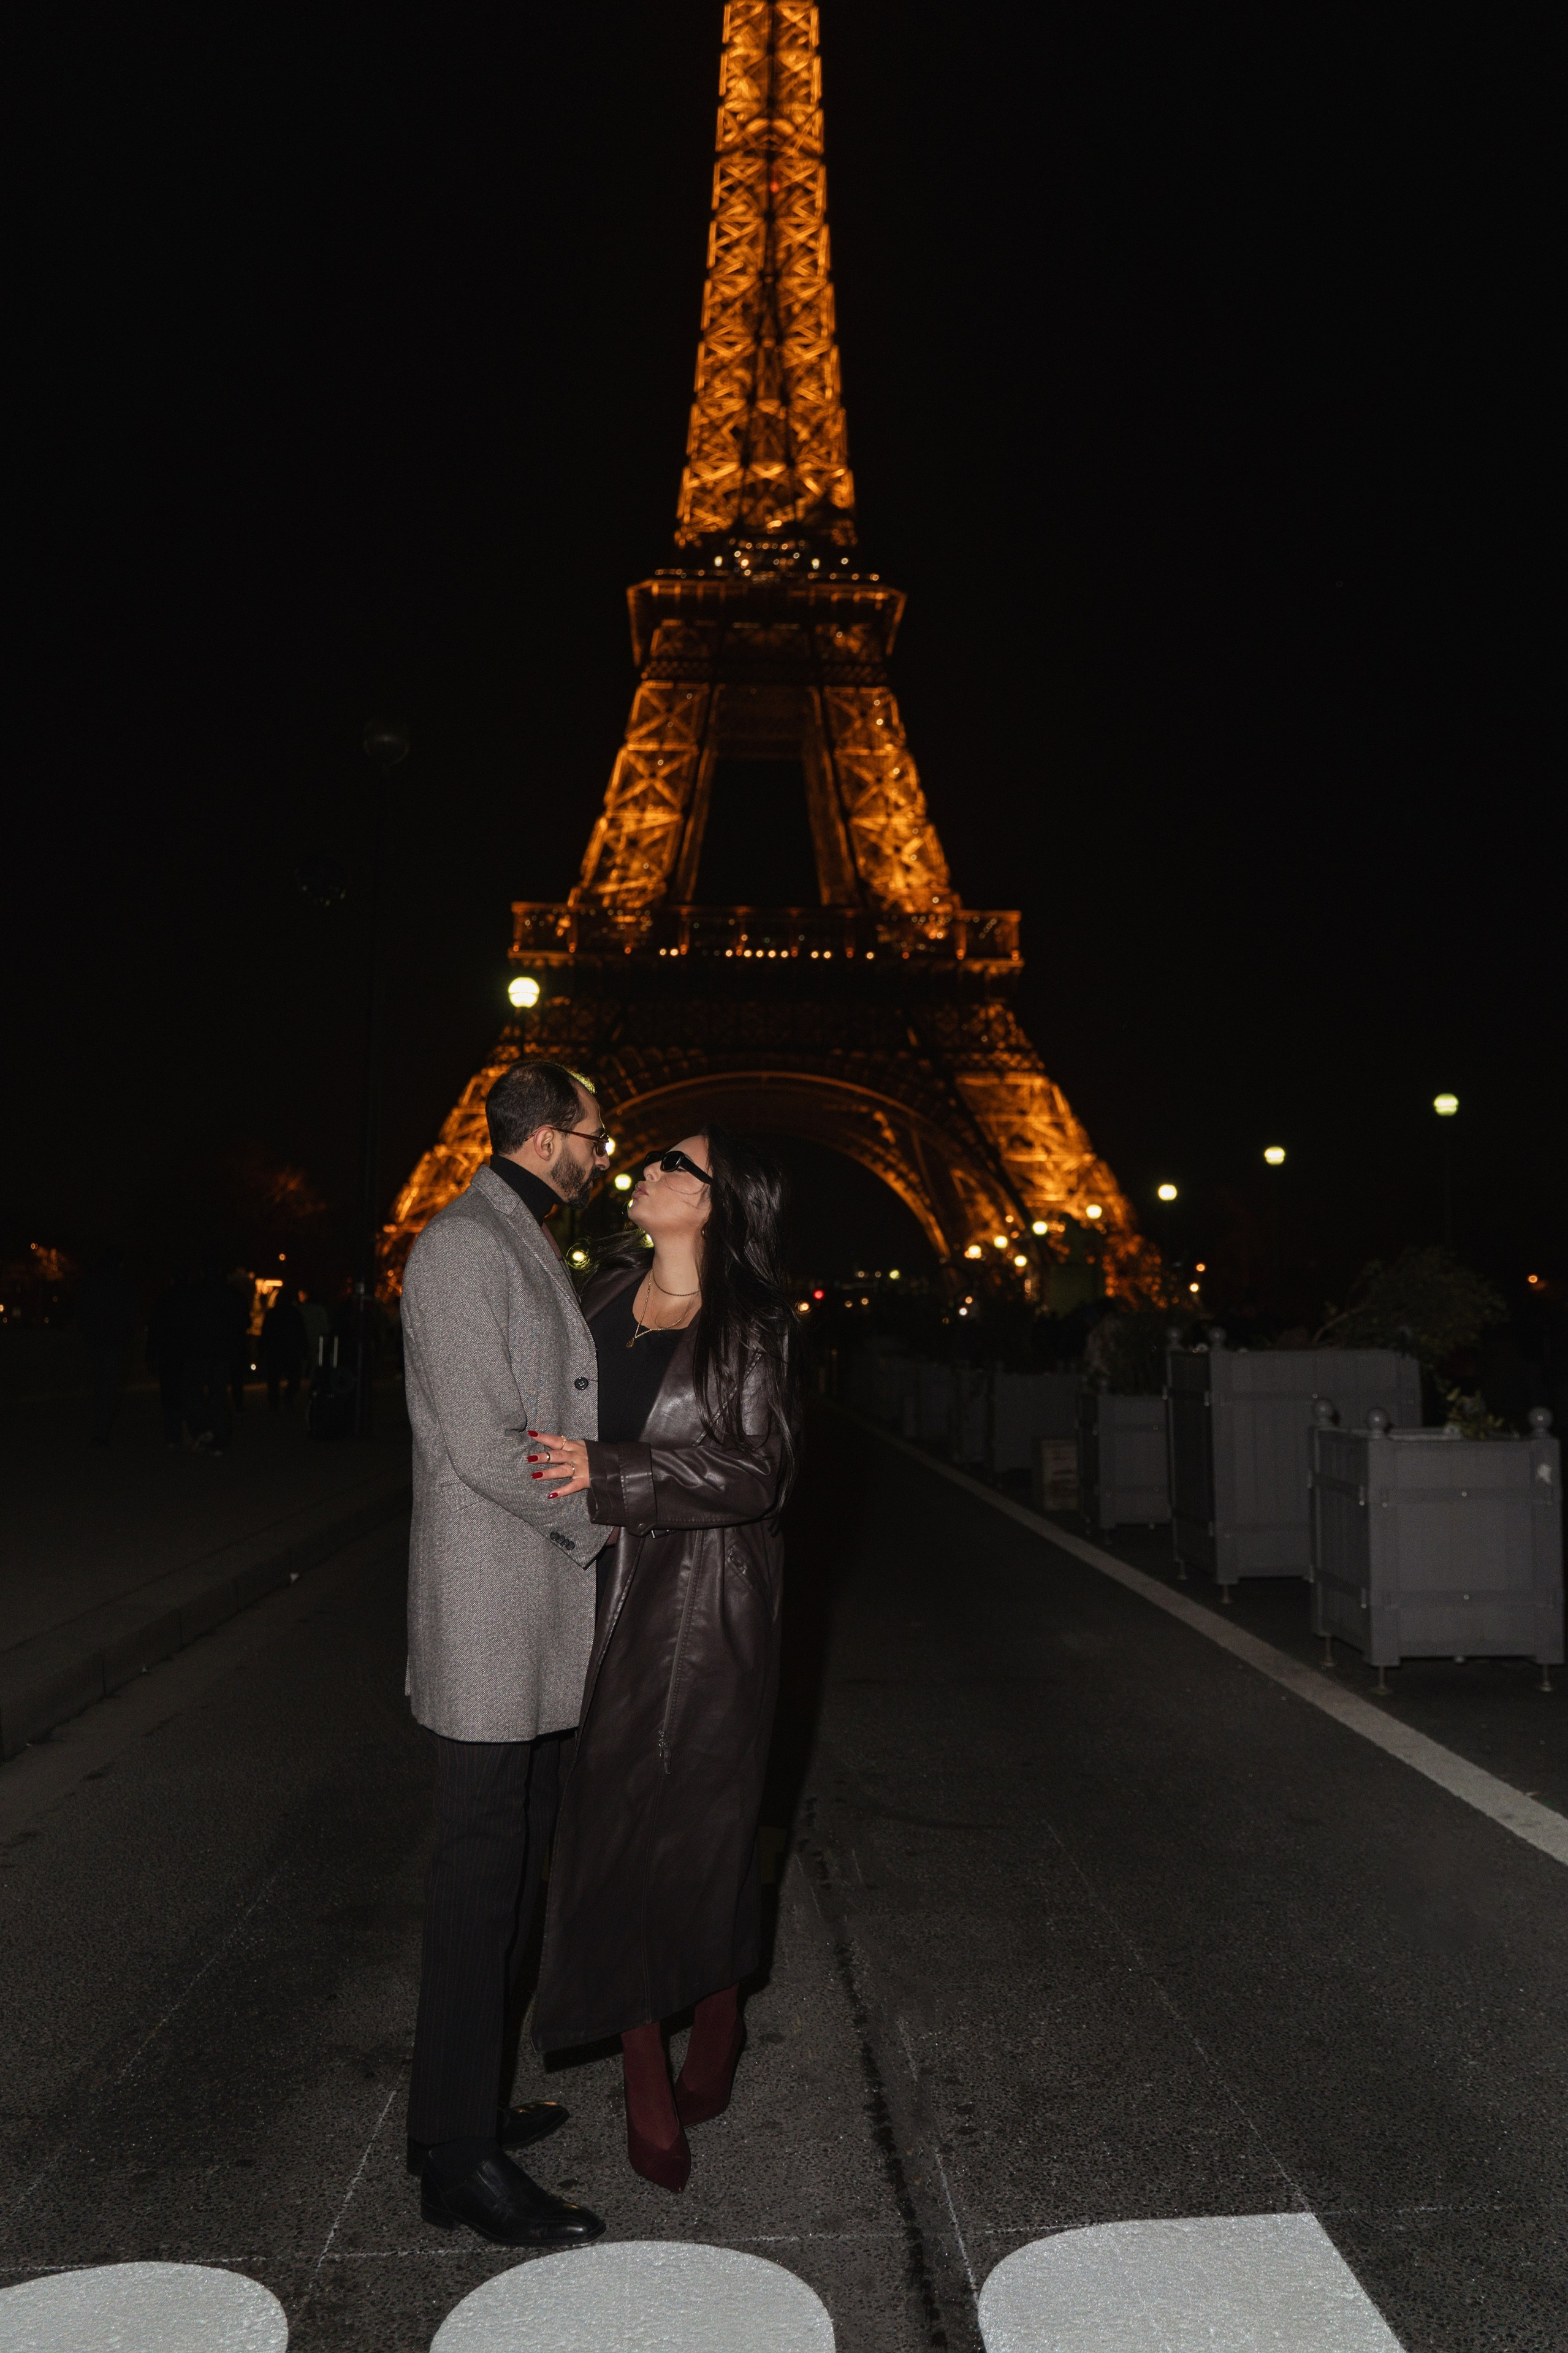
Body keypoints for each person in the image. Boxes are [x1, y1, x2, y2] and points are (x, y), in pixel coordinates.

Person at [529, 1127, 799, 2192]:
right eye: (647, 1158)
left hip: (702, 1611)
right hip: (588, 1592)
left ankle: (716, 2007)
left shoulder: (753, 1327)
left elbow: (755, 1470)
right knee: (607, 1828)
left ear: (720, 1201)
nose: (646, 1170)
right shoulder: (594, 1297)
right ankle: (643, 2042)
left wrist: (611, 1467)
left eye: (673, 1165)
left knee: (695, 1831)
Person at [398, 1058, 614, 2251]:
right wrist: (603, 1518)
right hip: (495, 1600)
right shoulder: (463, 1246)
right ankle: (454, 2156)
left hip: (530, 1597)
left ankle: (468, 2101)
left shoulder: (516, 1235)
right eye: (595, 1131)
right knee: (479, 1878)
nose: (605, 1151)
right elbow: (484, 1438)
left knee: (518, 1858)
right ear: (547, 1137)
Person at [75, 1249, 139, 1448]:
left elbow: (82, 1311)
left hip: (98, 1342)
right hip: (115, 1343)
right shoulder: (124, 1285)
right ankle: (101, 1430)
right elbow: (130, 1314)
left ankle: (99, 1428)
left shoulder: (93, 1283)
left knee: (101, 1384)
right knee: (109, 1387)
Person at [182, 1262, 246, 1454]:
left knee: (193, 1393)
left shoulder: (194, 1294)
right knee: (218, 1395)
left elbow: (184, 1323)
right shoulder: (231, 1294)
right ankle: (219, 1438)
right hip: (222, 1353)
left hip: (199, 1352)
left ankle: (204, 1430)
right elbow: (244, 1321)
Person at [145, 1275, 190, 1446]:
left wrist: (151, 1355)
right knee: (186, 1392)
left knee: (170, 1394)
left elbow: (155, 1328)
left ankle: (173, 1435)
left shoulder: (165, 1299)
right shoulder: (191, 1299)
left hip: (169, 1354)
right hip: (186, 1353)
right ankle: (185, 1431)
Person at [260, 1284, 307, 1409]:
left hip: (275, 1350)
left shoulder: (272, 1314)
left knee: (274, 1379)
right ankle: (287, 1398)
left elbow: (265, 1334)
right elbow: (301, 1333)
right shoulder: (295, 1313)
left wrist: (262, 1351)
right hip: (290, 1350)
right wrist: (303, 1349)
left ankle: (275, 1400)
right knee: (294, 1377)